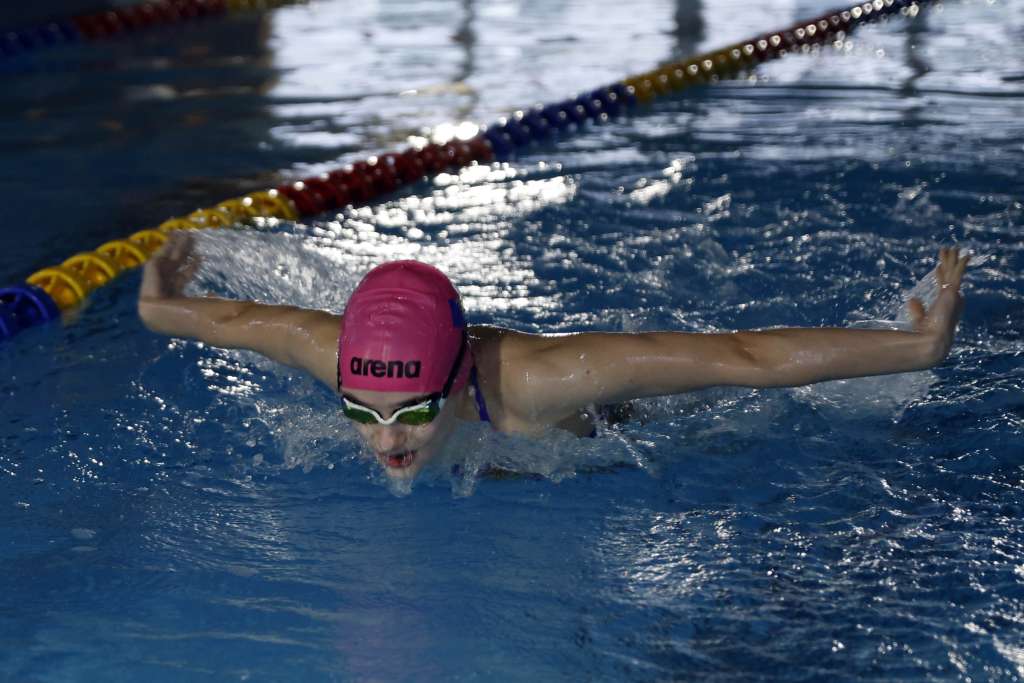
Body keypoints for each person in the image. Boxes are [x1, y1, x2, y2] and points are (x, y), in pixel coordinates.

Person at [138, 233, 969, 478]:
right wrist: (155, 302)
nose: (385, 439)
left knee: (712, 403)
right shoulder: (344, 357)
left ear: (456, 380)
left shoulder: (541, 380)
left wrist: (914, 348)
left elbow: (742, 357)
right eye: (363, 412)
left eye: (412, 414)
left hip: (616, 428)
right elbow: (239, 320)